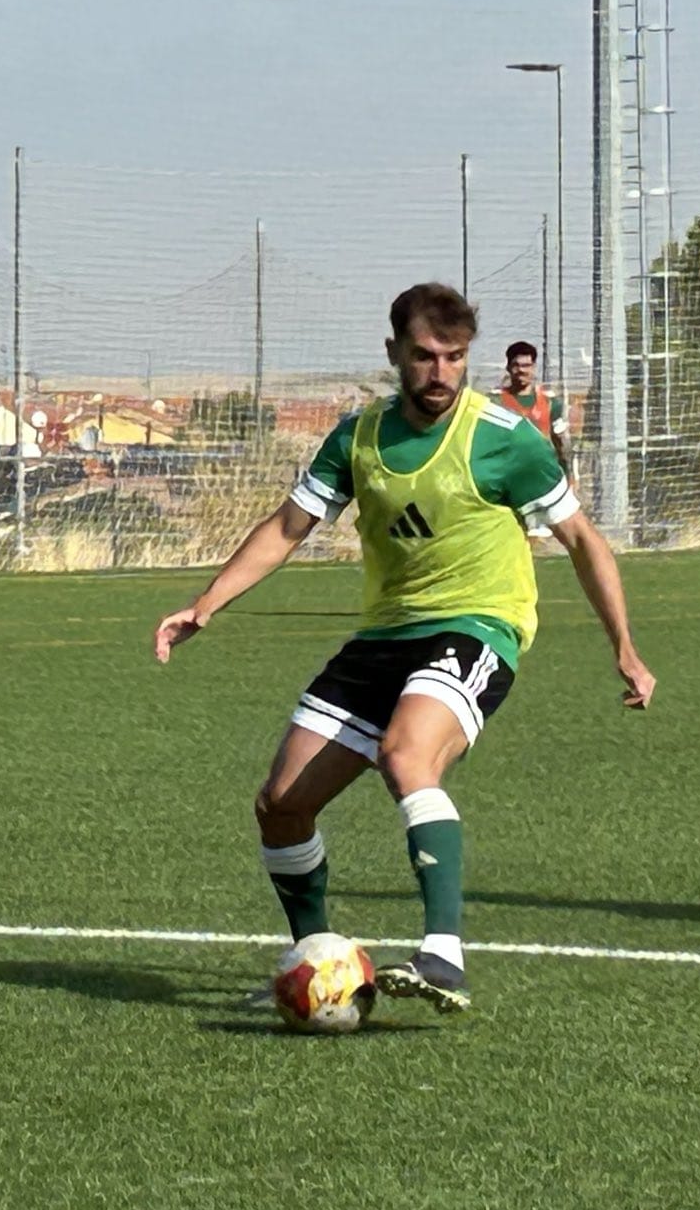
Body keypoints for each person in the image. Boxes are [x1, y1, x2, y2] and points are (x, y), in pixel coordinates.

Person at [154, 282, 655, 1014]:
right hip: (384, 637)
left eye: (455, 357)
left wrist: (625, 647)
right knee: (281, 806)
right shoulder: (357, 438)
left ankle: (443, 956)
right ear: (395, 354)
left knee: (406, 755)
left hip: (477, 627)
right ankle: (314, 965)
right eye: (424, 355)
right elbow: (286, 527)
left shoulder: (503, 439)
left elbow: (583, 540)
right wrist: (206, 604)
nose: (441, 371)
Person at [497, 340, 572, 475]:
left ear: (533, 367)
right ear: (508, 367)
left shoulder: (550, 403)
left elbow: (560, 442)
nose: (521, 370)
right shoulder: (495, 403)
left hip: (542, 475)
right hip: (508, 475)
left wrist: (568, 475)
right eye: (516, 365)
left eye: (526, 365)